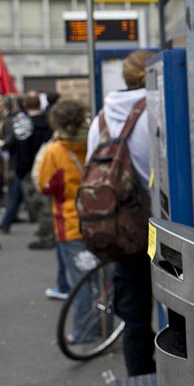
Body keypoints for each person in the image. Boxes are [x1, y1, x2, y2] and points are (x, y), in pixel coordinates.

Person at [87, 50, 155, 377]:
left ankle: (140, 378)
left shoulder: (100, 118)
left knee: (135, 320)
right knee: (181, 314)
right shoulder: (158, 110)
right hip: (160, 227)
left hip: (121, 230)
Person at [36, 100, 97, 340]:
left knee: (80, 281)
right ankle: (105, 324)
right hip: (100, 220)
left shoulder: (55, 151)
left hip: (70, 223)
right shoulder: (94, 141)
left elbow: (45, 185)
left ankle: (84, 330)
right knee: (103, 278)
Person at [0, 92, 52, 233]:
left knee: (31, 198)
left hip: (26, 168)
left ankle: (44, 231)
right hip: (45, 167)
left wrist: (21, 169)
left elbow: (21, 148)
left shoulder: (23, 123)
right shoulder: (49, 121)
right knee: (40, 199)